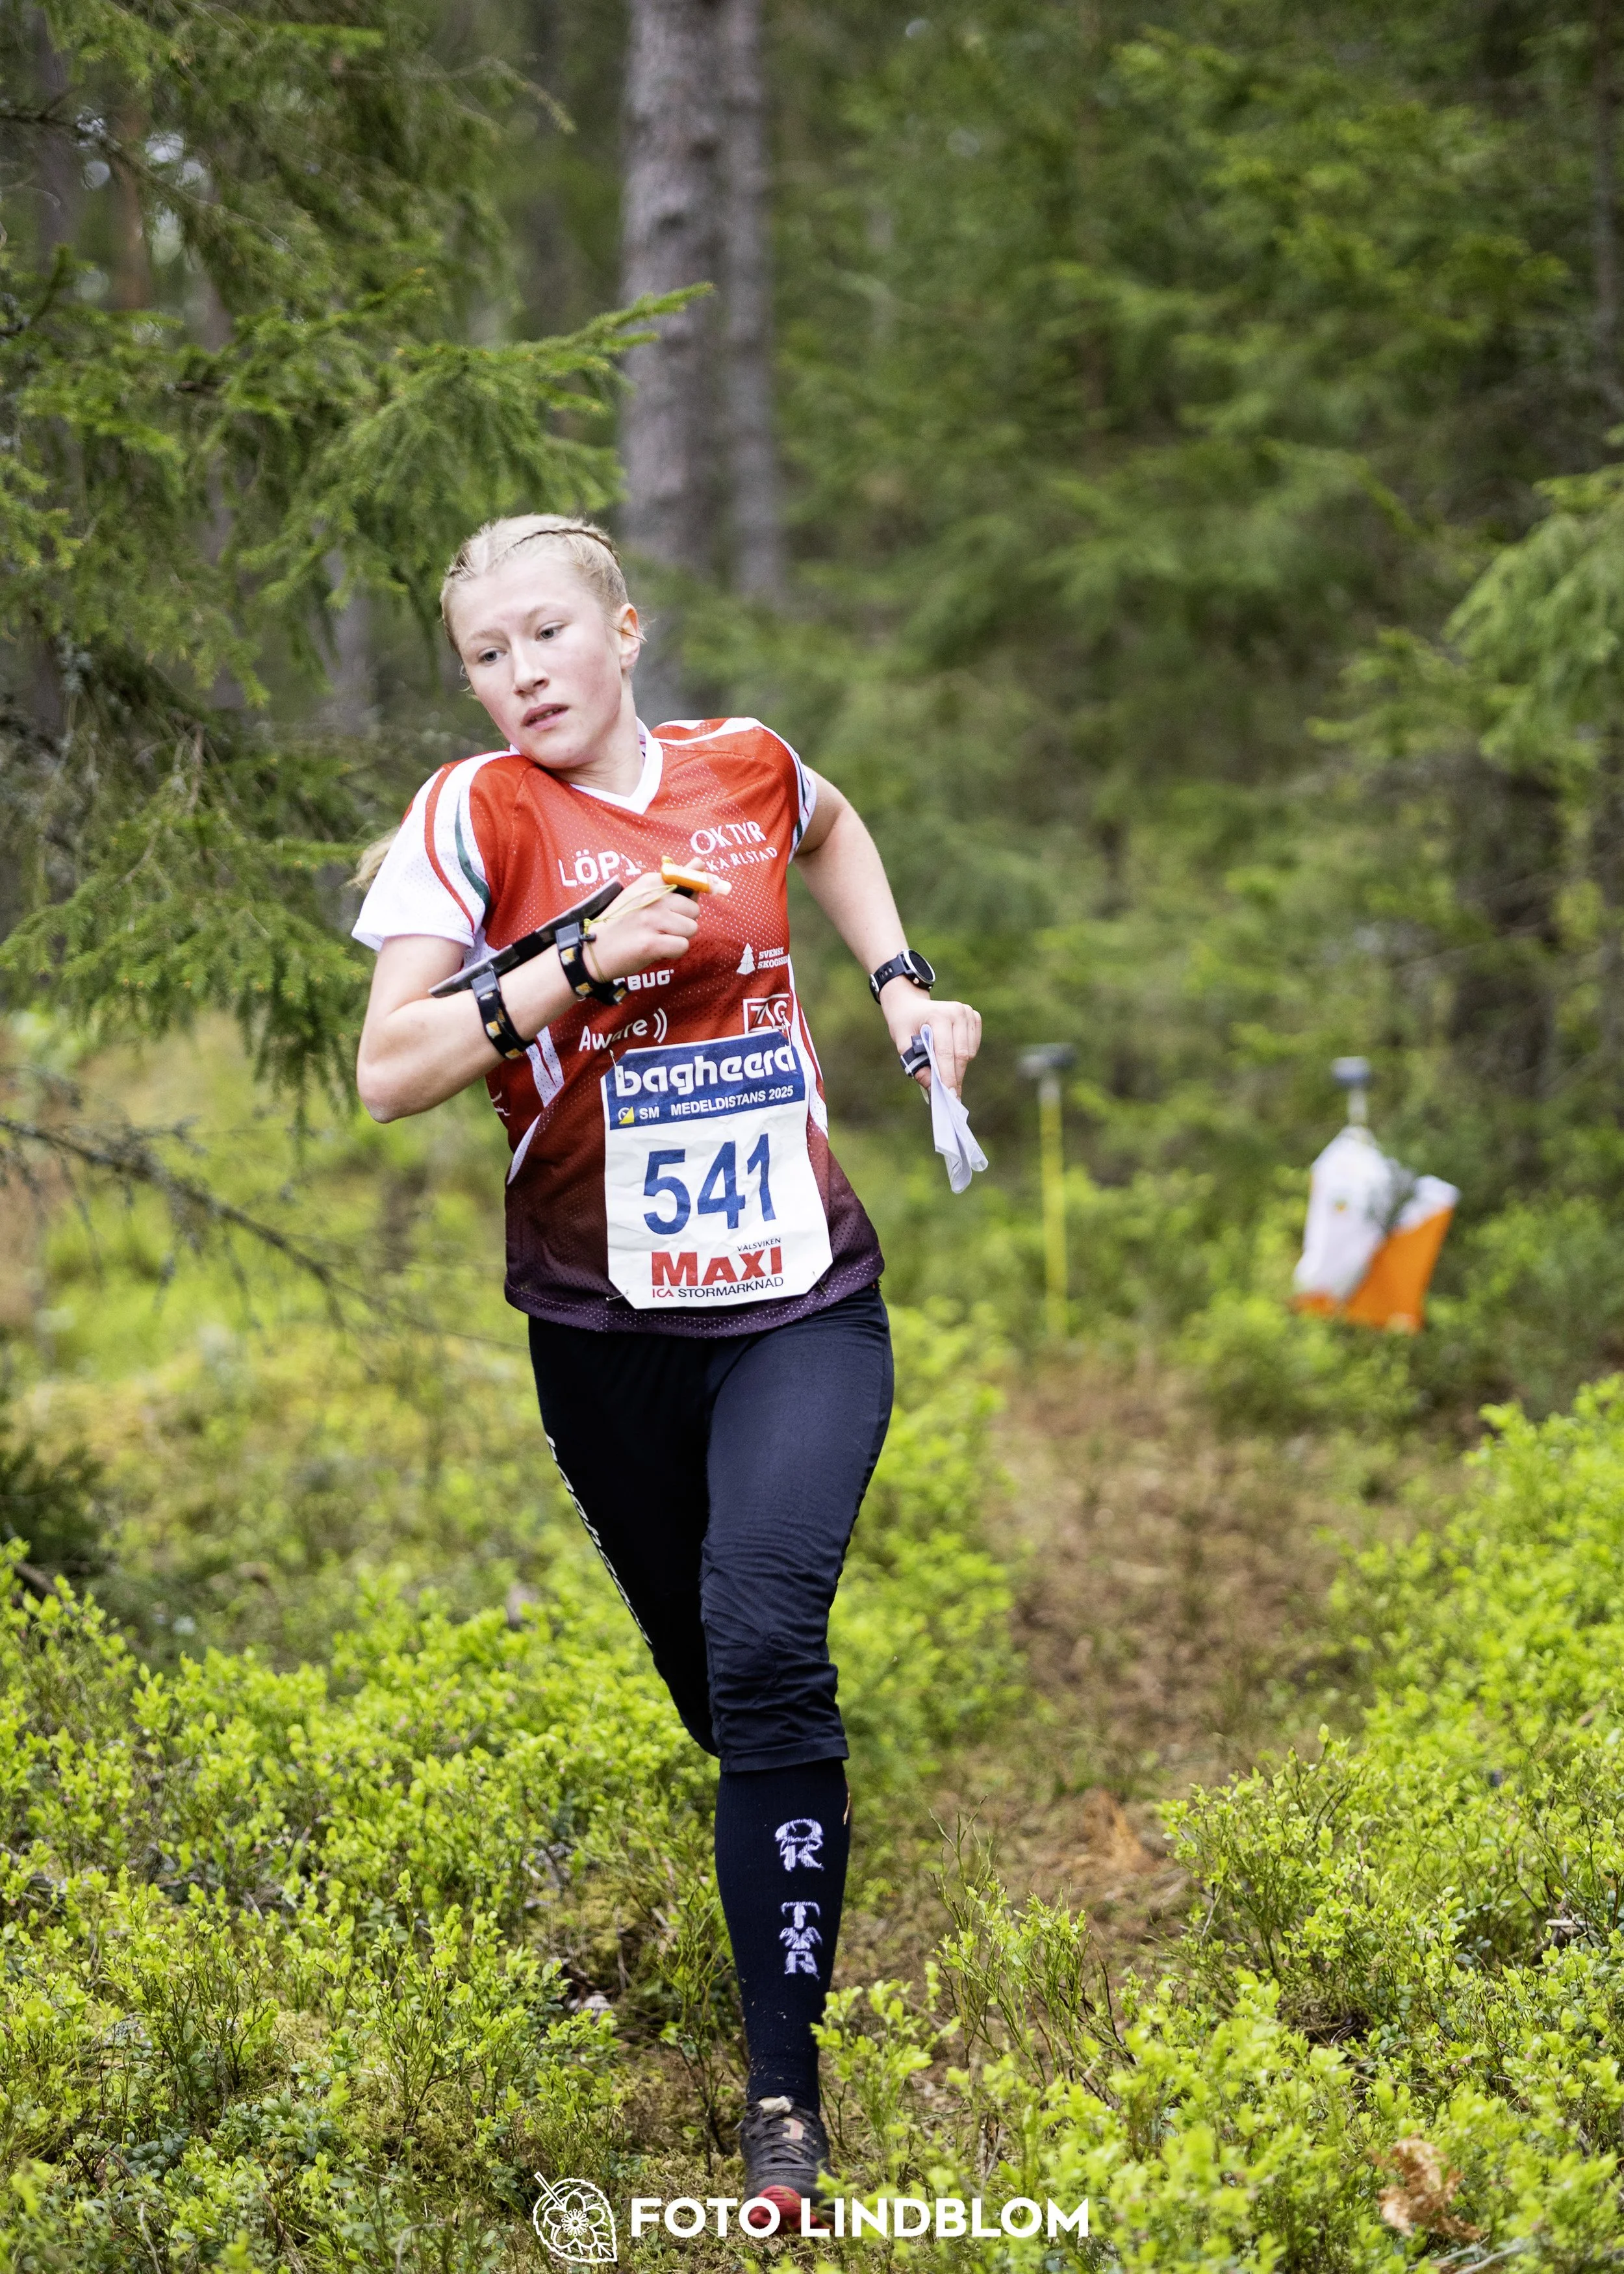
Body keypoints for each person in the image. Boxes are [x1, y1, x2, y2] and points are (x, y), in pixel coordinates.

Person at [352, 513, 982, 2227]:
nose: (521, 674)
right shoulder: (474, 817)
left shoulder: (745, 765)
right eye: (489, 655)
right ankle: (773, 1792)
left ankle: (784, 2101)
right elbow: (390, 1066)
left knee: (770, 1650)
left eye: (547, 635)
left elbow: (832, 829)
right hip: (601, 1334)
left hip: (799, 1300)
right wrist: (568, 968)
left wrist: (909, 988)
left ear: (622, 630)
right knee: (717, 1685)